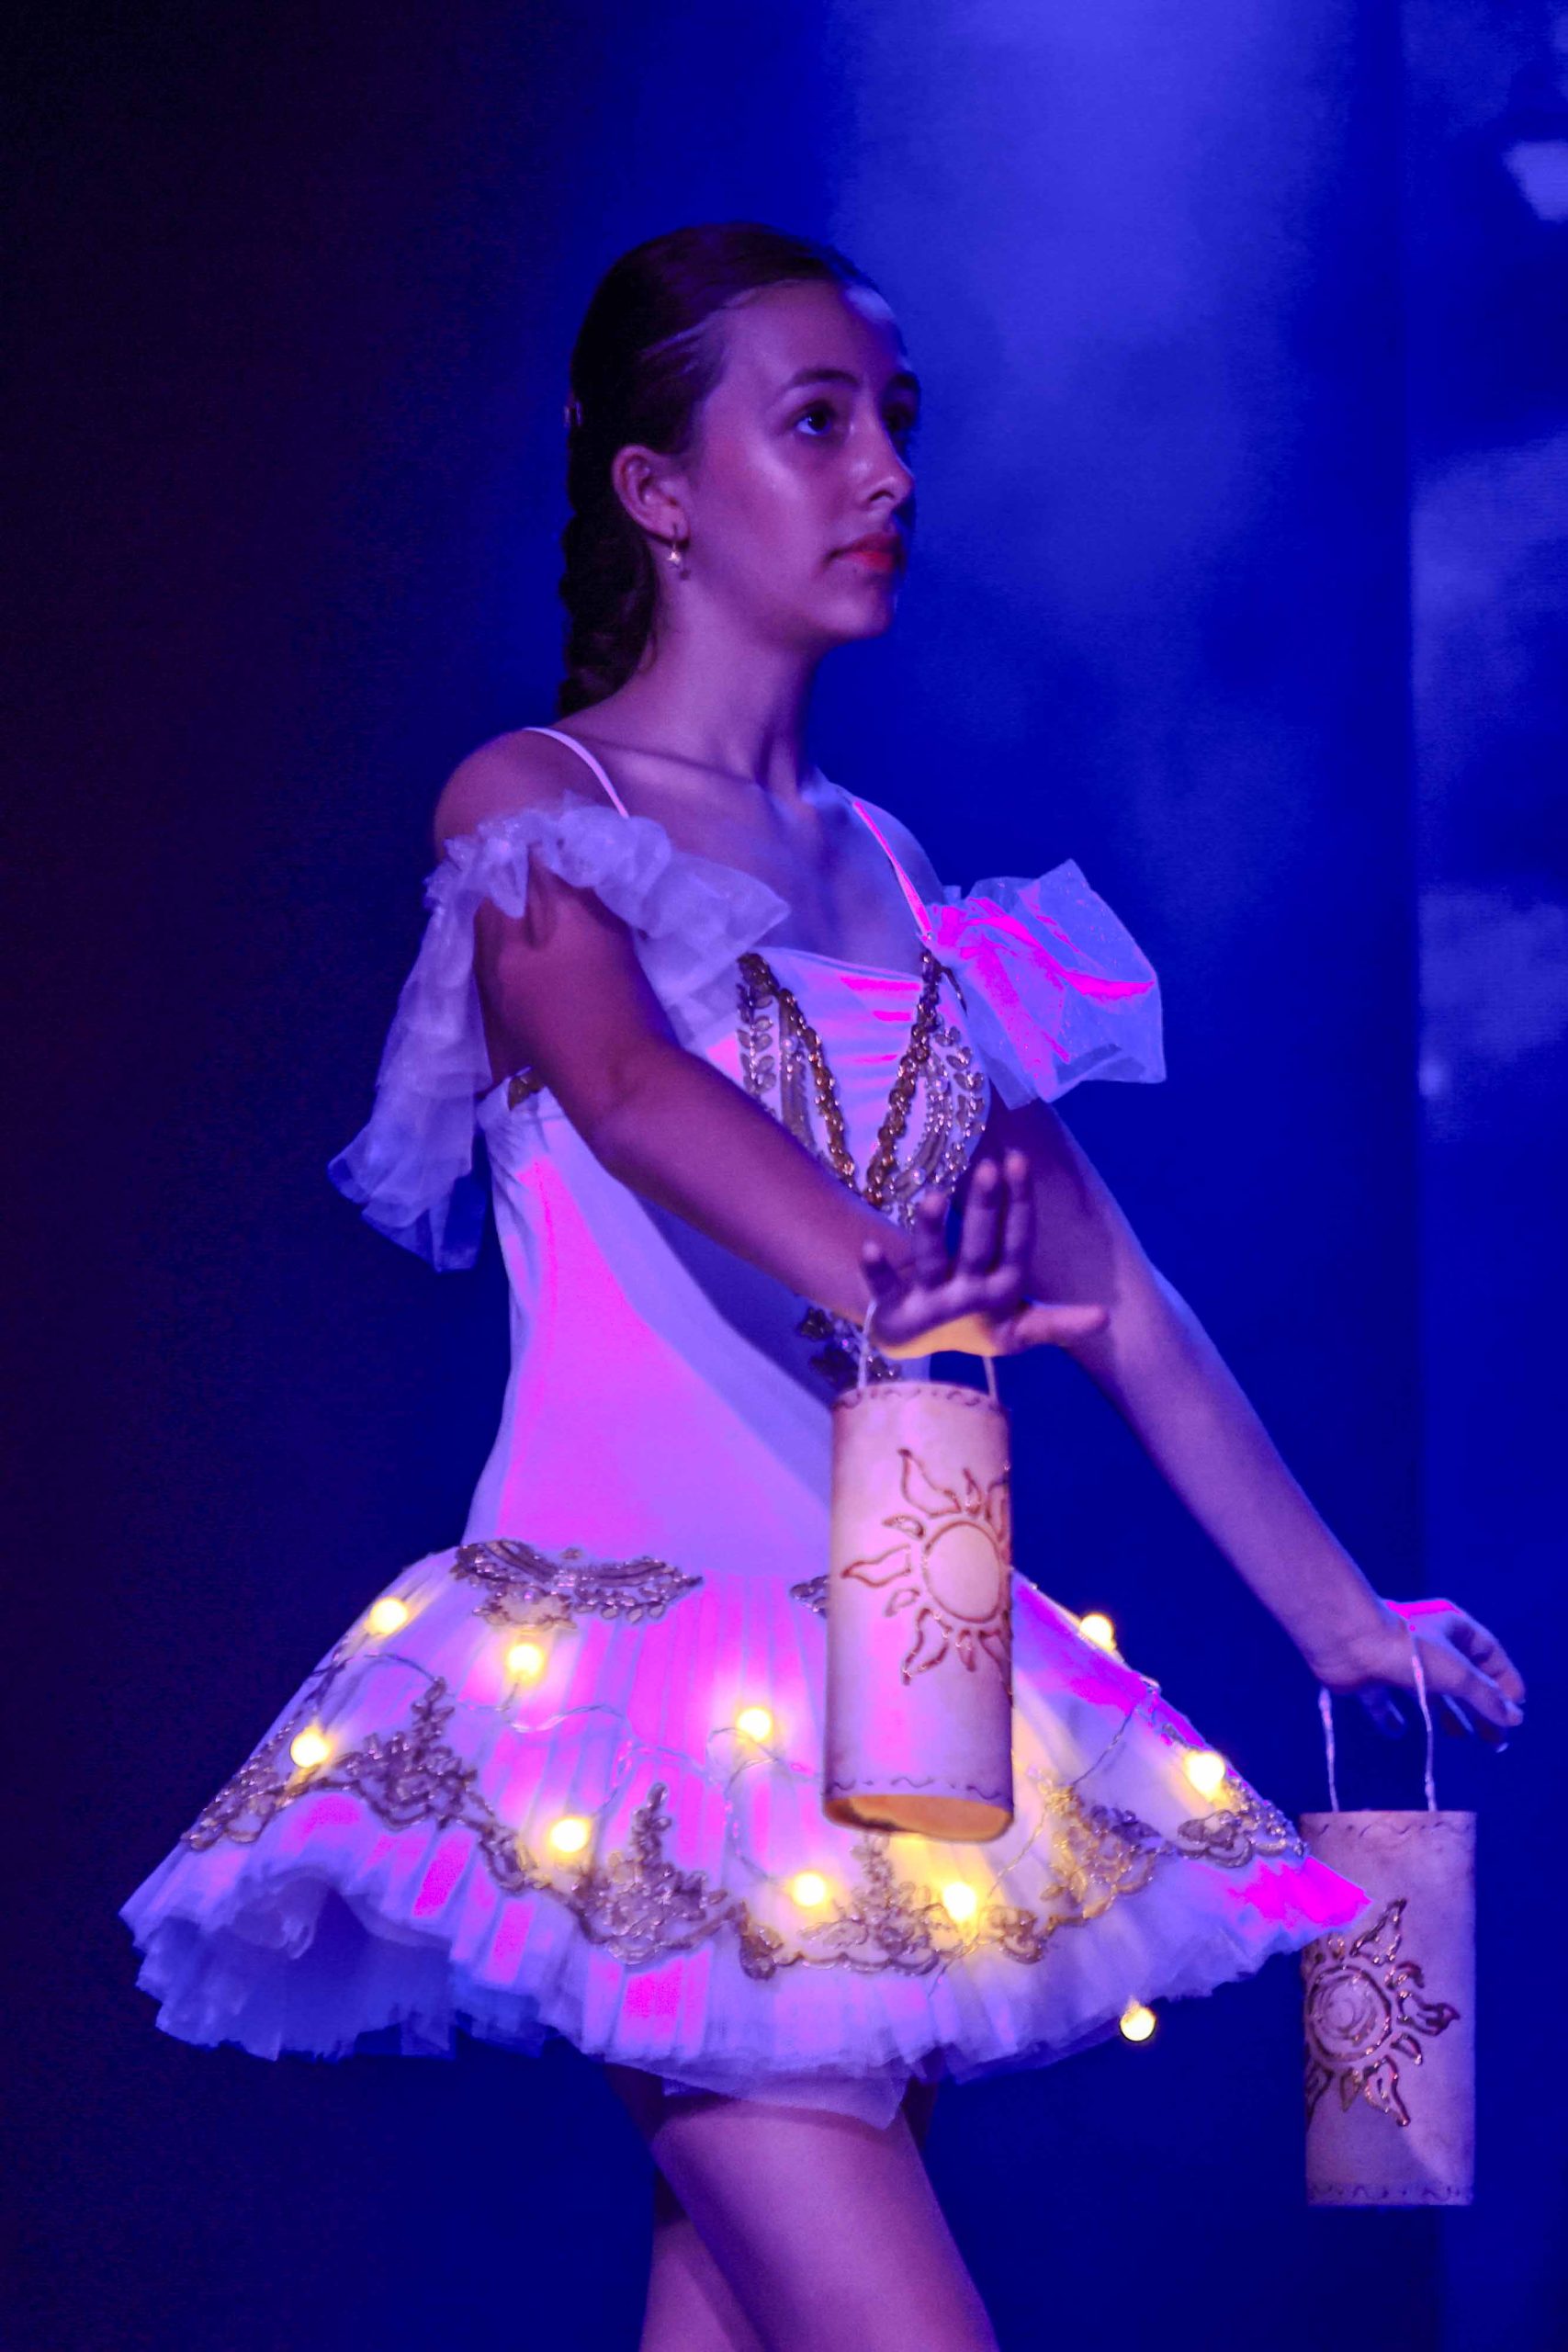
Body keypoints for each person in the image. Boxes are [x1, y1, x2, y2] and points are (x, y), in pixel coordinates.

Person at [119, 223, 1526, 2352]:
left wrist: (1344, 1616)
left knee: (728, 2314)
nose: (882, 470)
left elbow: (1111, 1289)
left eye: (893, 420)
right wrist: (904, 1276)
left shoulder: (899, 881)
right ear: (657, 491)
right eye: (812, 421)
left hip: (893, 1699)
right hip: (633, 1683)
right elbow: (624, 1083)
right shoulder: (543, 802)